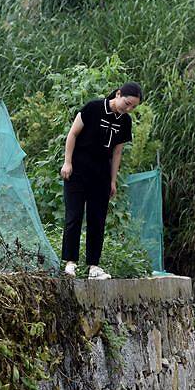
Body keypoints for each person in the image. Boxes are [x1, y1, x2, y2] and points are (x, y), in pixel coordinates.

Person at [59, 81, 142, 278]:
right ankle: (70, 263)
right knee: (74, 216)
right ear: (119, 94)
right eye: (127, 103)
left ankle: (93, 267)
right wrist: (67, 162)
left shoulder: (125, 121)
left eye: (133, 107)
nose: (128, 108)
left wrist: (112, 181)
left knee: (97, 220)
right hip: (77, 172)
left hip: (101, 176)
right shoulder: (93, 108)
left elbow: (117, 152)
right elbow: (73, 134)